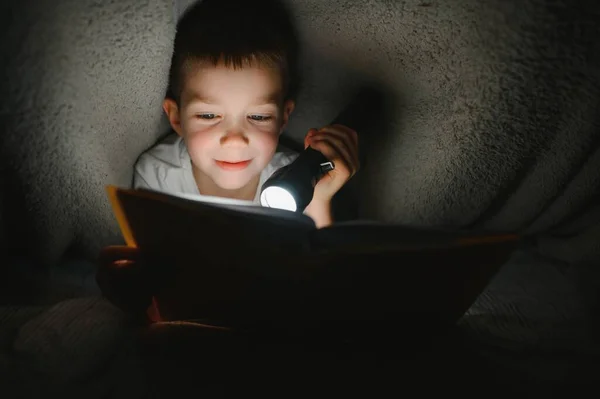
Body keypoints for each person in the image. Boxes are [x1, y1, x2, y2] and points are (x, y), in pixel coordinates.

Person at [98, 0, 359, 320]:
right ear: (177, 118)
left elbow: (317, 285)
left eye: (258, 116)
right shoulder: (159, 176)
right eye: (209, 115)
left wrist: (320, 197)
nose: (235, 138)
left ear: (283, 118)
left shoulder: (296, 178)